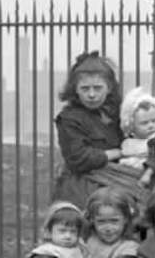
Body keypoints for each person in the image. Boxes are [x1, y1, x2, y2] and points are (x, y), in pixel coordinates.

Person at [53, 51, 147, 208]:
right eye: (85, 88)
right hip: (83, 185)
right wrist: (120, 152)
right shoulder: (68, 118)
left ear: (109, 88)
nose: (91, 94)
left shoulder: (120, 112)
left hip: (121, 179)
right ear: (75, 89)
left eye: (97, 88)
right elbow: (79, 158)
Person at [118, 86, 155, 187]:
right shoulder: (127, 142)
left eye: (154, 120)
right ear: (132, 125)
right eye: (144, 123)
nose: (151, 125)